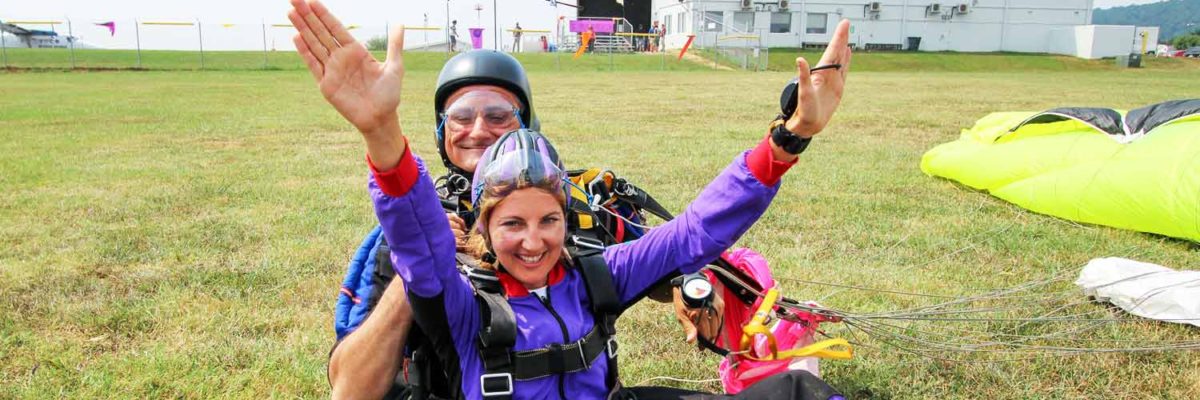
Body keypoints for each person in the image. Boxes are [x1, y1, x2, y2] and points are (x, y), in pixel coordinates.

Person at [294, 0, 855, 392]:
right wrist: (382, 136)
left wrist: (789, 138)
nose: (479, 130)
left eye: (498, 116)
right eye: (461, 118)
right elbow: (356, 375)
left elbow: (683, 238)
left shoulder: (587, 227)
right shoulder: (411, 245)